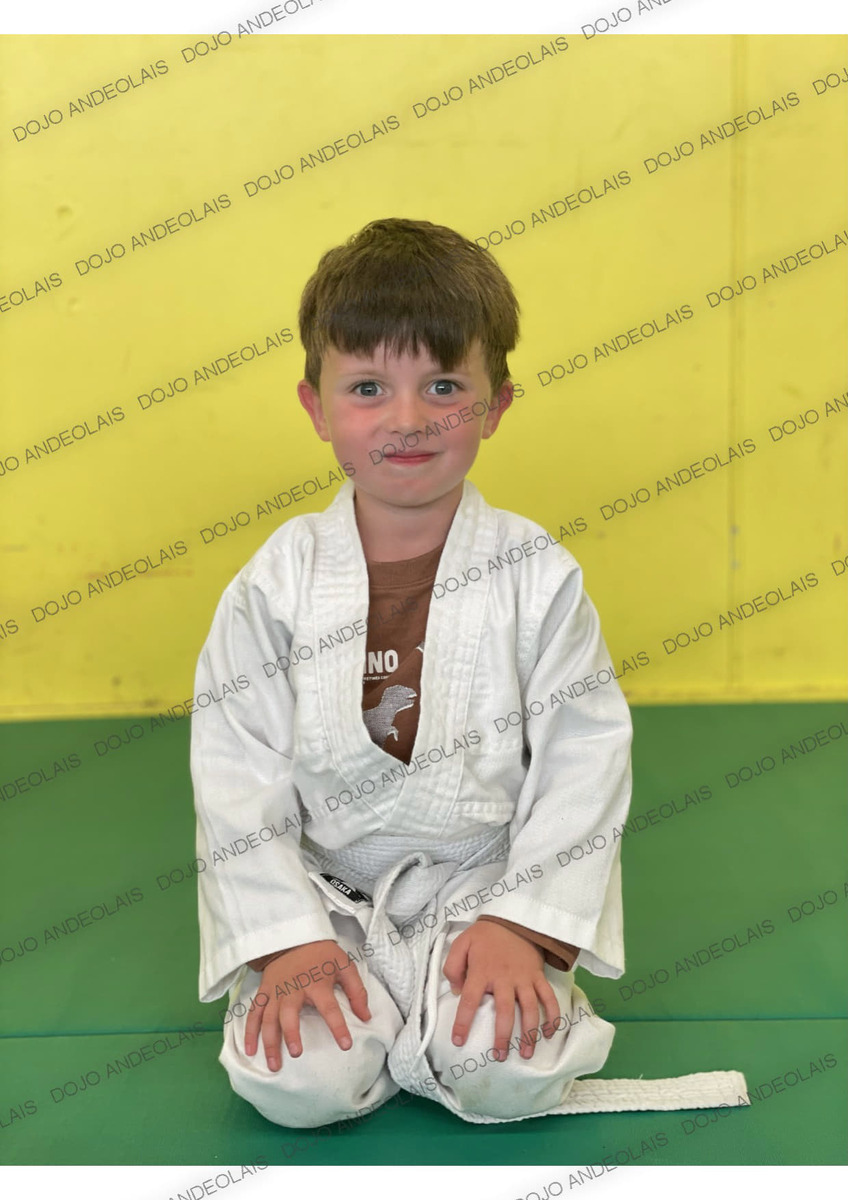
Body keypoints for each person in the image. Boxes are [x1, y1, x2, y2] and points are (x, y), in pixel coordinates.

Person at [190, 217, 747, 1129]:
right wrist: (284, 942)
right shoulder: (275, 585)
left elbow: (583, 759)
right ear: (316, 407)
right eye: (368, 387)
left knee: (503, 1070)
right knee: (299, 1085)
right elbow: (234, 771)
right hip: (327, 904)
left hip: (482, 895)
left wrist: (524, 923)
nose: (409, 419)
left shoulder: (536, 575)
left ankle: (477, 987)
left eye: (445, 386)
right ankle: (351, 996)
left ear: (496, 405)